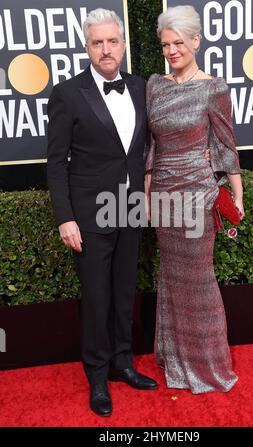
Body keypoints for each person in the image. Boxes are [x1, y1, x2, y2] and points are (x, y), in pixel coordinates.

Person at [47, 8, 158, 417]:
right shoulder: (68, 94)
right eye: (98, 42)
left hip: (130, 208)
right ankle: (96, 375)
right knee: (96, 298)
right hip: (89, 215)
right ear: (87, 46)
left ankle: (122, 362)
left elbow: (145, 149)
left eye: (113, 41)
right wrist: (65, 217)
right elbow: (56, 162)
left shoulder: (141, 86)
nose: (106, 49)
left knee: (124, 290)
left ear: (123, 44)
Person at [144, 5, 245, 394]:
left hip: (199, 195)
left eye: (178, 43)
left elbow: (224, 144)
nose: (171, 51)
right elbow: (150, 147)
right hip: (165, 198)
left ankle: (209, 366)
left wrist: (237, 194)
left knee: (200, 280)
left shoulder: (213, 88)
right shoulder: (155, 85)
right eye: (166, 45)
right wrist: (149, 195)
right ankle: (176, 360)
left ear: (196, 42)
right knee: (170, 277)